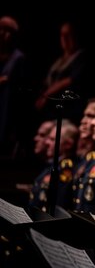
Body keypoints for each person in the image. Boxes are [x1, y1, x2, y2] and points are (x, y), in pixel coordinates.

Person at [28, 119, 79, 213]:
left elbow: (59, 206)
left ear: (68, 144)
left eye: (52, 139)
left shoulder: (65, 169)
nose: (47, 142)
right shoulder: (52, 165)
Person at [0, 15, 29, 159]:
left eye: (8, 31)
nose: (4, 35)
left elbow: (20, 87)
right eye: (2, 30)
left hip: (8, 112)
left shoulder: (18, 58)